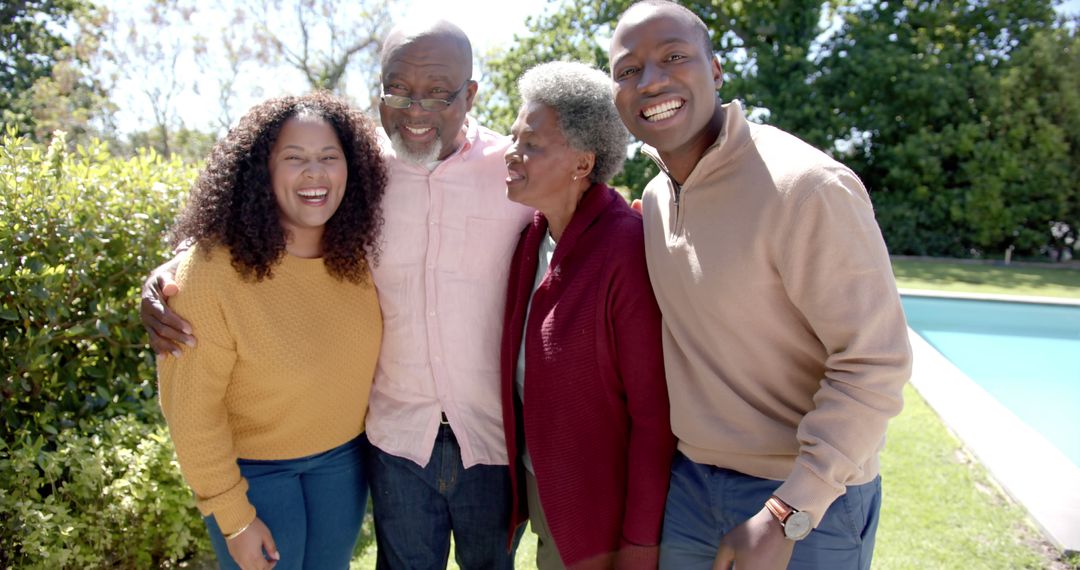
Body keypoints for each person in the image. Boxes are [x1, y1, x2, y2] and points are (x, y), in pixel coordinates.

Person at [141, 20, 533, 570]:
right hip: (397, 441)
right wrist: (170, 273)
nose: (415, 110)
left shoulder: (516, 171)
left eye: (438, 92)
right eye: (397, 89)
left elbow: (584, 225)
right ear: (379, 91)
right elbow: (256, 225)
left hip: (485, 436)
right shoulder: (363, 166)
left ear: (469, 94)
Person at [608, 2, 913, 569]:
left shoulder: (807, 187)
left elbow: (876, 362)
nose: (650, 82)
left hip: (803, 499)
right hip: (691, 486)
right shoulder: (654, 197)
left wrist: (789, 510)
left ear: (716, 70)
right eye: (628, 70)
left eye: (674, 57)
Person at [156, 91, 386, 570]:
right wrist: (234, 517)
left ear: (353, 168)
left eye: (329, 157)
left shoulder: (363, 256)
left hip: (343, 464)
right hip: (255, 473)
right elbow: (192, 412)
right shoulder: (208, 272)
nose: (315, 174)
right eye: (294, 158)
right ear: (260, 169)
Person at [500, 61, 675, 569]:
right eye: (515, 137)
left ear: (582, 163)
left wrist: (641, 543)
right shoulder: (532, 236)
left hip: (599, 513)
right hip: (543, 486)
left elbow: (653, 416)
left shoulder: (623, 248)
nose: (512, 152)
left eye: (531, 143)